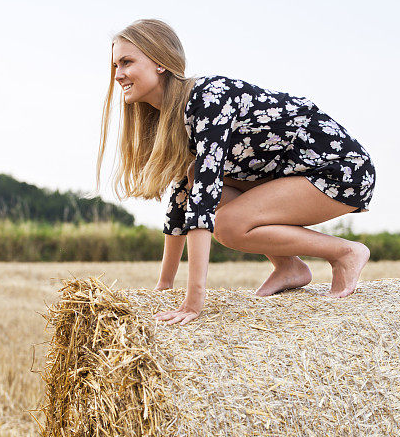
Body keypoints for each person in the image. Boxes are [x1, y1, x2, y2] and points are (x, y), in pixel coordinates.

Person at [96, 19, 376, 326]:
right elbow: (184, 195)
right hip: (292, 175)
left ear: (160, 63)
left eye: (126, 62)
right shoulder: (174, 115)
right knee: (192, 175)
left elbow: (203, 204)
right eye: (115, 65)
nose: (118, 74)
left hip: (338, 170)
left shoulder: (208, 98)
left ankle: (344, 252)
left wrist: (193, 303)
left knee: (227, 226)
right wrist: (163, 287)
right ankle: (289, 268)